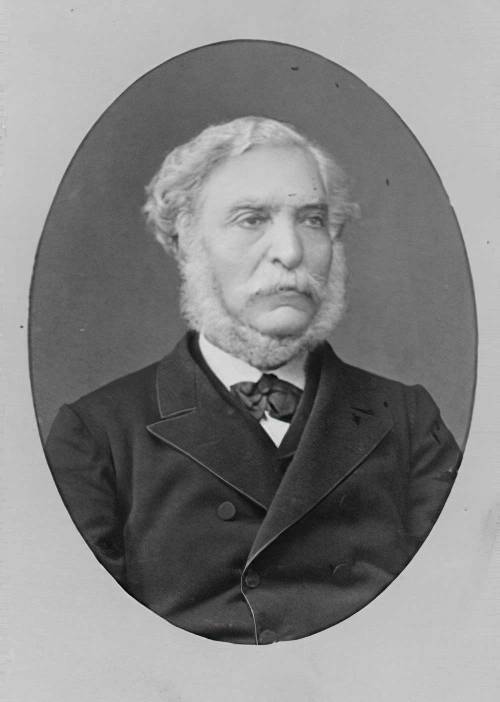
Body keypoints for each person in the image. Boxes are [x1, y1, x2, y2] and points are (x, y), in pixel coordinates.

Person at [45, 116, 461, 645]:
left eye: (312, 220)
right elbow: (77, 643)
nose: (290, 251)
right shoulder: (96, 436)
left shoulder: (408, 420)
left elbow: (459, 614)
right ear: (185, 242)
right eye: (251, 219)